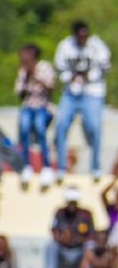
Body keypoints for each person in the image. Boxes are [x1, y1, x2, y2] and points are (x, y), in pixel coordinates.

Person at [53, 20, 111, 182]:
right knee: (61, 125)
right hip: (70, 93)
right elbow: (59, 69)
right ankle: (61, 167)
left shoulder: (97, 46)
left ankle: (95, 166)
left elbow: (105, 66)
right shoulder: (65, 46)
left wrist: (88, 77)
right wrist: (71, 77)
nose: (83, 38)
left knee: (95, 127)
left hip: (92, 92)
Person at [14, 43, 56, 190]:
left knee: (40, 129)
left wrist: (36, 76)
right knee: (24, 129)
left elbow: (51, 87)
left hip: (43, 107)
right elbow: (19, 94)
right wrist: (26, 77)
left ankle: (46, 166)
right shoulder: (23, 71)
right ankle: (26, 165)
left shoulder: (44, 67)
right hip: (28, 106)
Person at [42, 187, 96, 268]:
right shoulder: (59, 213)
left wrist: (76, 239)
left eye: (74, 202)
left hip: (79, 250)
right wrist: (62, 238)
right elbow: (53, 231)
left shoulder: (86, 214)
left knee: (90, 246)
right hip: (64, 250)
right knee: (51, 246)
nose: (72, 205)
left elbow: (92, 235)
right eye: (69, 202)